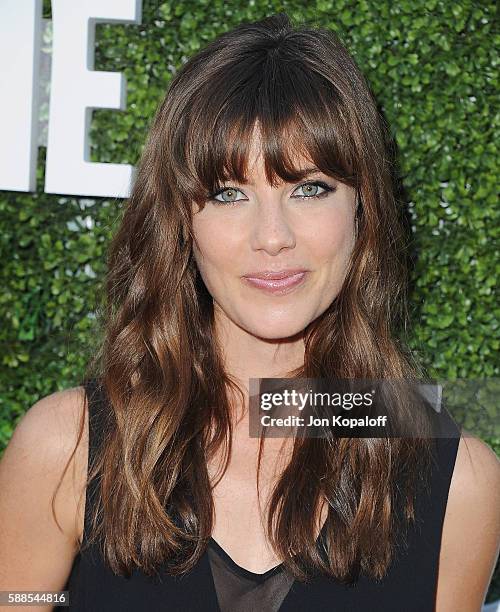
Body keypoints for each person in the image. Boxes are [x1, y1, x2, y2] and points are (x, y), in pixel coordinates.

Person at [0, 12, 499, 612]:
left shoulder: (458, 483)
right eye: (228, 194)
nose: (272, 237)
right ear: (181, 223)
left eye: (309, 188)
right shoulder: (68, 447)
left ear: (363, 208)